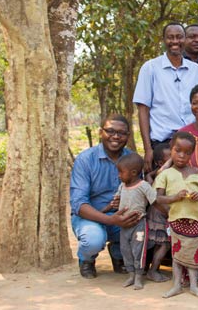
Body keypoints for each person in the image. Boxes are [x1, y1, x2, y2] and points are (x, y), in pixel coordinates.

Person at [70, 114, 142, 279]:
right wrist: (109, 219)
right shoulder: (85, 160)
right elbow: (78, 204)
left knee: (146, 232)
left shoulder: (133, 159)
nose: (116, 136)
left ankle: (118, 254)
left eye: (121, 133)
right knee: (93, 240)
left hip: (122, 215)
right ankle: (86, 259)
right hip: (90, 216)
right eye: (110, 131)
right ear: (101, 132)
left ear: (128, 136)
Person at [133, 22, 198, 172]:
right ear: (164, 40)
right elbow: (143, 110)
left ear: (185, 39)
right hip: (162, 144)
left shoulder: (196, 70)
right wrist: (148, 149)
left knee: (192, 189)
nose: (175, 41)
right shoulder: (150, 68)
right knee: (163, 189)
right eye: (170, 37)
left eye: (179, 37)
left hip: (192, 142)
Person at [154, 132, 198, 298]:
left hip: (195, 220)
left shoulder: (196, 172)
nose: (182, 155)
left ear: (192, 154)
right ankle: (176, 285)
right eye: (178, 150)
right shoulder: (165, 174)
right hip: (176, 219)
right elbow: (158, 198)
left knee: (193, 252)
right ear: (171, 150)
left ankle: (194, 286)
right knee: (177, 253)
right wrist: (175, 197)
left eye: (187, 152)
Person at [114, 153, 158, 290]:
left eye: (121, 172)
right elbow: (117, 200)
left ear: (133, 173)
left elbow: (155, 200)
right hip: (124, 225)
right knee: (125, 249)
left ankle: (139, 277)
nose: (119, 175)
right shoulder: (122, 186)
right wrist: (114, 204)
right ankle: (131, 275)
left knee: (138, 250)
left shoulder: (143, 185)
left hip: (139, 224)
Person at [144, 143, 172, 283]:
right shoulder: (162, 174)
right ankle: (153, 270)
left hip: (161, 213)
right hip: (159, 213)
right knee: (163, 244)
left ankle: (149, 269)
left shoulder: (158, 174)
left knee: (157, 244)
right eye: (170, 159)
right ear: (161, 163)